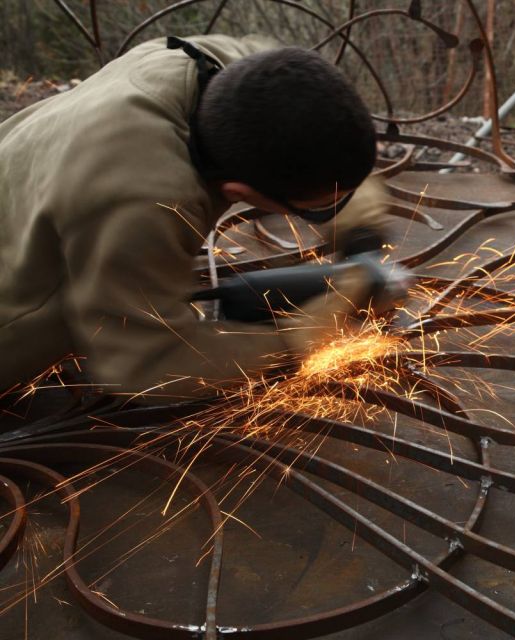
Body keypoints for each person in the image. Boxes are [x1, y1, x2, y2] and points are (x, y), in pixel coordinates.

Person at [0, 34, 396, 402]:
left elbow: (312, 117)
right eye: (322, 210)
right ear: (238, 194)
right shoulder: (142, 199)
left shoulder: (218, 67)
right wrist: (295, 342)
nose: (330, 213)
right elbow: (143, 366)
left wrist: (362, 238)